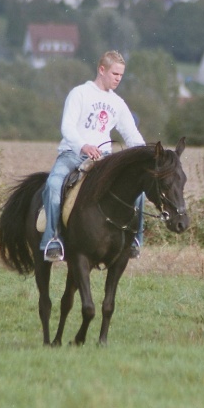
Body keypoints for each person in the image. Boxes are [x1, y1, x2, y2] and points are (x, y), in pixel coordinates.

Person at [41, 50, 146, 262]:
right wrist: (83, 146)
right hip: (73, 155)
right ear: (102, 70)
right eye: (115, 73)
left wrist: (147, 154)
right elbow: (67, 127)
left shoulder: (118, 103)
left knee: (140, 192)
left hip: (104, 160)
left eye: (121, 75)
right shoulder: (79, 93)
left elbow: (131, 134)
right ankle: (52, 240)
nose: (118, 78)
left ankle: (135, 239)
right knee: (53, 185)